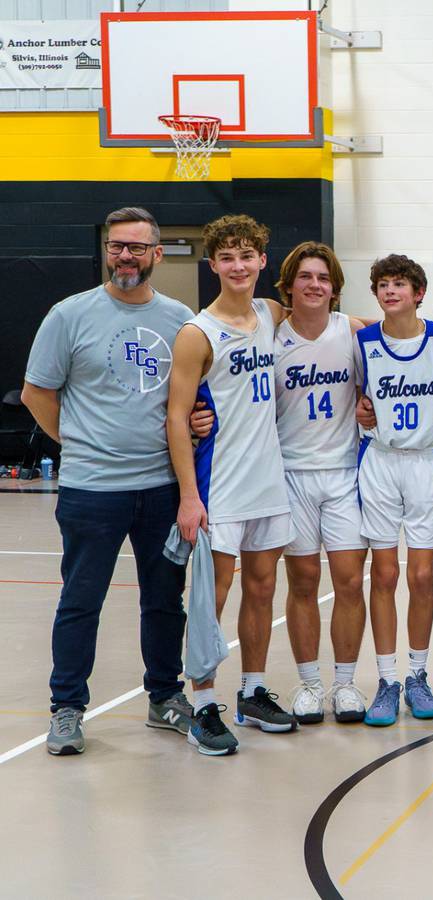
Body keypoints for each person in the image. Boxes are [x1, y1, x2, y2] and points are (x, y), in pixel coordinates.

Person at [23, 206, 194, 756]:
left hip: (162, 487)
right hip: (91, 490)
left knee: (165, 600)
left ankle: (165, 697)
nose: (125, 256)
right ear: (107, 252)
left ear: (156, 255)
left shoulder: (179, 318)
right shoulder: (68, 315)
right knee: (81, 600)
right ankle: (67, 708)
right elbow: (37, 394)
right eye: (117, 246)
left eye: (137, 247)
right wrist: (77, 444)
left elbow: (191, 399)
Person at [166, 214, 297, 755]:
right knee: (209, 599)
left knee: (263, 590)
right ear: (213, 264)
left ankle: (252, 690)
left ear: (263, 261)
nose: (239, 266)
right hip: (219, 487)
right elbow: (176, 418)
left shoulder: (270, 313)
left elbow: (334, 320)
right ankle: (201, 706)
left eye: (248, 256)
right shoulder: (198, 333)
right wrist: (189, 497)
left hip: (268, 480)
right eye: (227, 257)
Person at [270, 243, 372, 724]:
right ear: (289, 284)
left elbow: (407, 345)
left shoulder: (350, 331)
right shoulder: (270, 335)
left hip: (344, 475)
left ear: (334, 288)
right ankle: (310, 684)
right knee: (304, 580)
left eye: (323, 278)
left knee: (350, 580)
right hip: (291, 474)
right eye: (305, 277)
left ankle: (346, 685)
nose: (314, 284)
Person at [353, 255, 433, 726]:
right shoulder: (363, 341)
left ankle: (418, 675)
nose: (390, 291)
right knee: (386, 574)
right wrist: (360, 409)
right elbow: (353, 395)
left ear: (419, 292)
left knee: (422, 576)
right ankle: (388, 679)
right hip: (380, 462)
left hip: (426, 463)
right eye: (383, 284)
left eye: (400, 284)